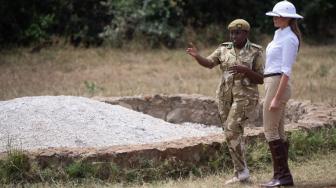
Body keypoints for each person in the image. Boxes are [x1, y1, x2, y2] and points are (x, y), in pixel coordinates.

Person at [186, 19, 264, 185]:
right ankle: (240, 172)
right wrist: (197, 56)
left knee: (231, 129)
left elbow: (261, 79)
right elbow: (209, 64)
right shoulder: (223, 48)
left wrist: (245, 70)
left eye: (238, 32)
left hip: (245, 98)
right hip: (224, 97)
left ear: (246, 33)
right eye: (232, 33)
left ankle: (242, 171)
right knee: (232, 134)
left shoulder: (256, 51)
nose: (234, 36)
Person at [260, 1, 303, 187]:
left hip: (278, 83)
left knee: (269, 130)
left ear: (288, 19)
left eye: (279, 16)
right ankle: (281, 176)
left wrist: (276, 97)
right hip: (271, 81)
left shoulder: (290, 39)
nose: (275, 18)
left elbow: (286, 71)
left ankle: (283, 176)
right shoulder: (279, 35)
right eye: (275, 15)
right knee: (278, 131)